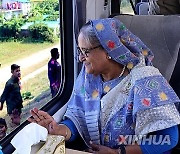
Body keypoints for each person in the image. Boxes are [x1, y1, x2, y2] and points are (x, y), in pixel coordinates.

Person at [28, 18, 180, 154]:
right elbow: (78, 120)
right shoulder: (87, 78)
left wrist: (118, 152)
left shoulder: (145, 80)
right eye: (79, 51)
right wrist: (59, 130)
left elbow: (168, 139)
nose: (81, 58)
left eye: (85, 51)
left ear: (108, 50)